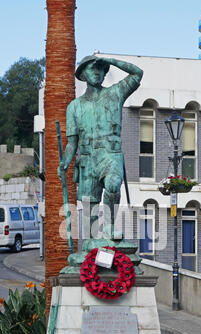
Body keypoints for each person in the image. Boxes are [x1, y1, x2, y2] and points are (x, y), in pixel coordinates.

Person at [58, 55, 143, 239]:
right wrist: (65, 163)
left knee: (113, 185)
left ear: (105, 74)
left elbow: (137, 73)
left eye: (101, 69)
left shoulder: (115, 93)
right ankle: (90, 246)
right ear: (83, 75)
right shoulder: (74, 107)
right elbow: (72, 143)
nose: (97, 72)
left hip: (110, 153)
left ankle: (110, 228)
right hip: (87, 159)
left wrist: (111, 61)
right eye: (92, 69)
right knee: (90, 208)